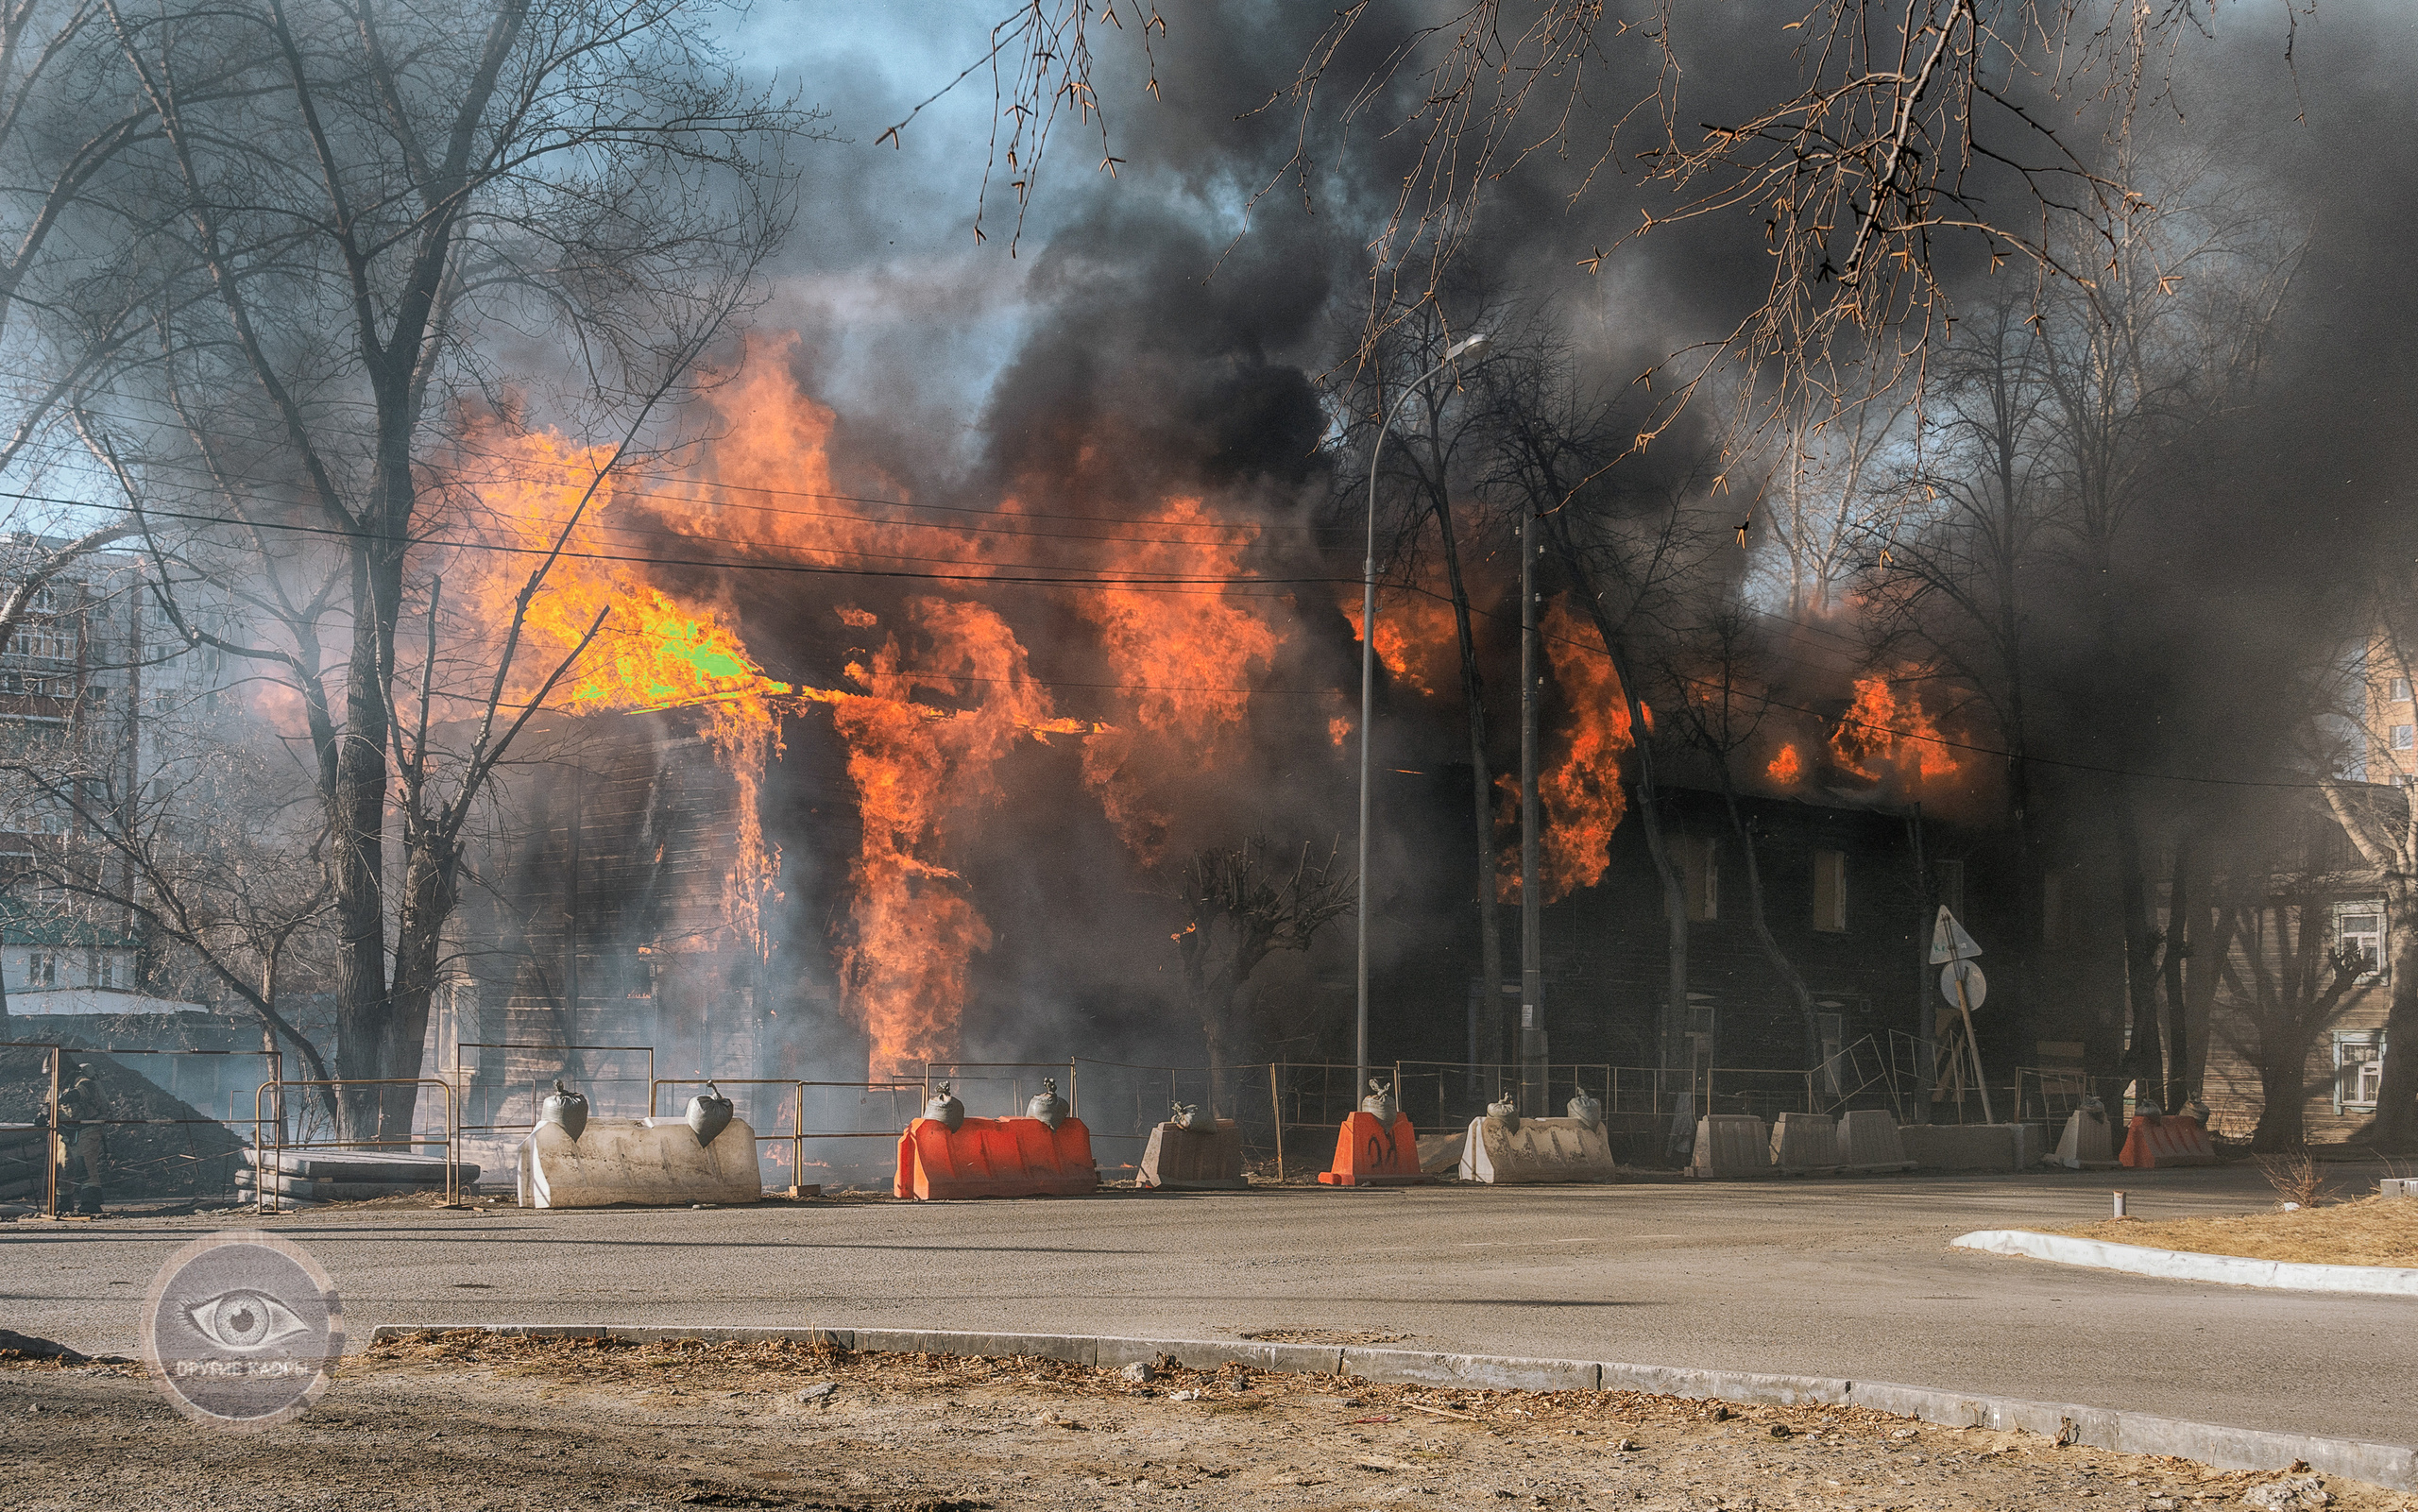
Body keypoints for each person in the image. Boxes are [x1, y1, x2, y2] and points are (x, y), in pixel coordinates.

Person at [48, 1065, 108, 1215]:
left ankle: (90, 1202)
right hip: (65, 1130)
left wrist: (70, 1096)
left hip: (87, 1127)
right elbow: (48, 1105)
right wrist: (44, 1114)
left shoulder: (80, 1080)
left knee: (85, 1163)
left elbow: (85, 1090)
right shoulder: (55, 1088)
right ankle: (65, 1202)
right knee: (64, 1164)